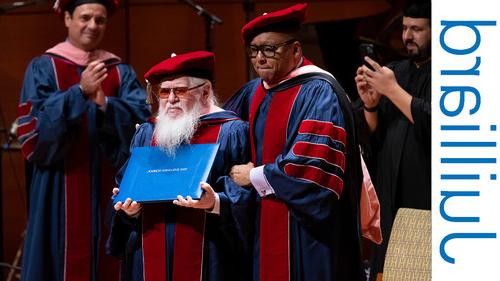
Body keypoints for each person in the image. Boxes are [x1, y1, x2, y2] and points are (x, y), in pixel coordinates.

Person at [224, 3, 364, 281]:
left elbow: (313, 172)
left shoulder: (318, 91)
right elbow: (221, 130)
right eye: (254, 50)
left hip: (309, 232)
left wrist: (254, 175)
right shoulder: (254, 91)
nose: (259, 58)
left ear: (296, 50)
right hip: (263, 223)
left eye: (269, 49)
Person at [15, 0, 151, 280]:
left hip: (109, 186)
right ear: (67, 18)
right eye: (84, 17)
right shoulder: (43, 67)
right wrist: (79, 93)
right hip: (58, 187)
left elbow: (142, 122)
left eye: (99, 20)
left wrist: (107, 107)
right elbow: (34, 134)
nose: (92, 26)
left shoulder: (119, 71)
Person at [106, 51, 253, 281]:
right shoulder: (148, 134)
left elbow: (247, 196)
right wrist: (128, 210)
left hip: (211, 258)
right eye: (164, 91)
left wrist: (215, 202)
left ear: (205, 92)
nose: (170, 98)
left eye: (180, 91)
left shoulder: (231, 132)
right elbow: (123, 187)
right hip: (148, 257)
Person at [354, 1, 431, 279]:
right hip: (391, 198)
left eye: (417, 29)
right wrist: (371, 105)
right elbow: (371, 137)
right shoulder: (396, 70)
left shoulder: (457, 76)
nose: (407, 36)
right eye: (404, 28)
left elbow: (438, 124)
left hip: (429, 199)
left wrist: (392, 89)